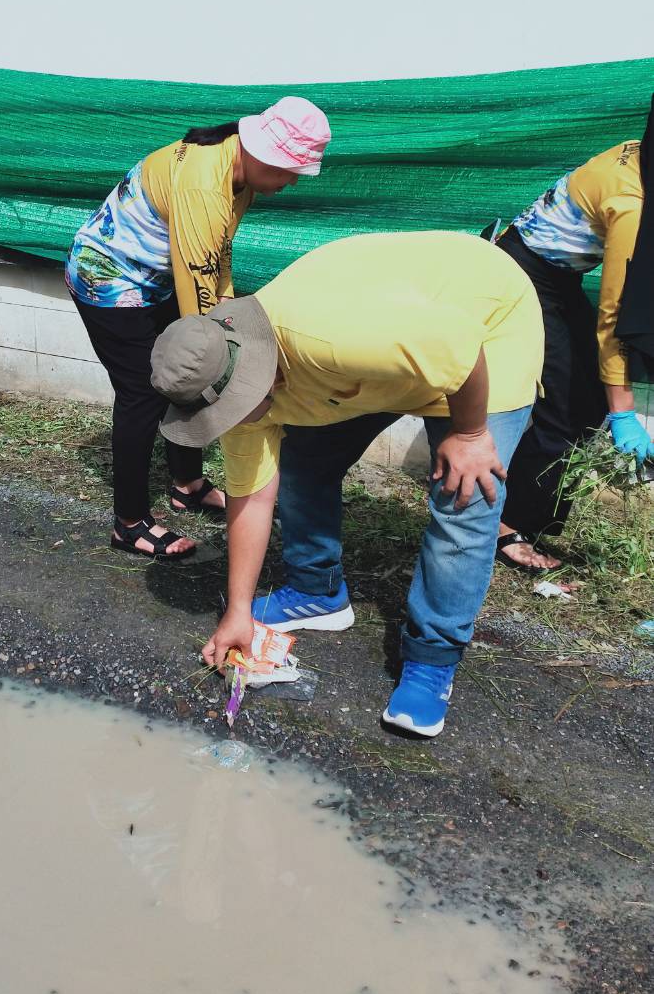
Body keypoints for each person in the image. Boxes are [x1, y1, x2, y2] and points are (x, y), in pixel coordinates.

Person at [150, 231, 544, 738]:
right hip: (394, 353)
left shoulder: (333, 339)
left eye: (231, 410)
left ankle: (431, 659)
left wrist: (469, 434)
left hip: (484, 329)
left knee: (465, 497)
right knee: (305, 459)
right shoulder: (226, 374)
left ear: (255, 376)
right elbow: (251, 495)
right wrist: (239, 611)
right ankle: (318, 591)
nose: (230, 421)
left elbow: (458, 345)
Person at [65, 96, 331, 559]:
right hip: (107, 278)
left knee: (187, 381)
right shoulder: (205, 186)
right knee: (148, 390)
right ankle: (128, 523)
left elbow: (217, 254)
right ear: (264, 154)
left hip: (157, 277)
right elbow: (199, 314)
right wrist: (236, 357)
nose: (290, 184)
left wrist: (230, 317)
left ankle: (186, 484)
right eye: (290, 172)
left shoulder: (237, 170)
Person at [490, 99, 653, 572]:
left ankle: (522, 513)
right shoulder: (633, 205)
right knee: (566, 407)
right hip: (525, 273)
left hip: (548, 272)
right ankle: (506, 526)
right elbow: (616, 313)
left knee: (583, 402)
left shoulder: (637, 149)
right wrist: (623, 411)